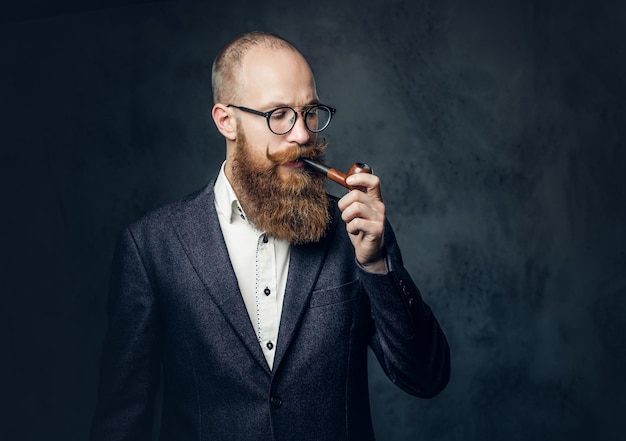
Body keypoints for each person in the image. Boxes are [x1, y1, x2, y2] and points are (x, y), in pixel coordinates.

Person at [90, 31, 450, 441]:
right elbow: (122, 422)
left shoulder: (356, 232)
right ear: (226, 120)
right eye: (278, 114)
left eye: (310, 112)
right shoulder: (152, 247)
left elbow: (426, 377)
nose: (302, 135)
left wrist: (376, 264)